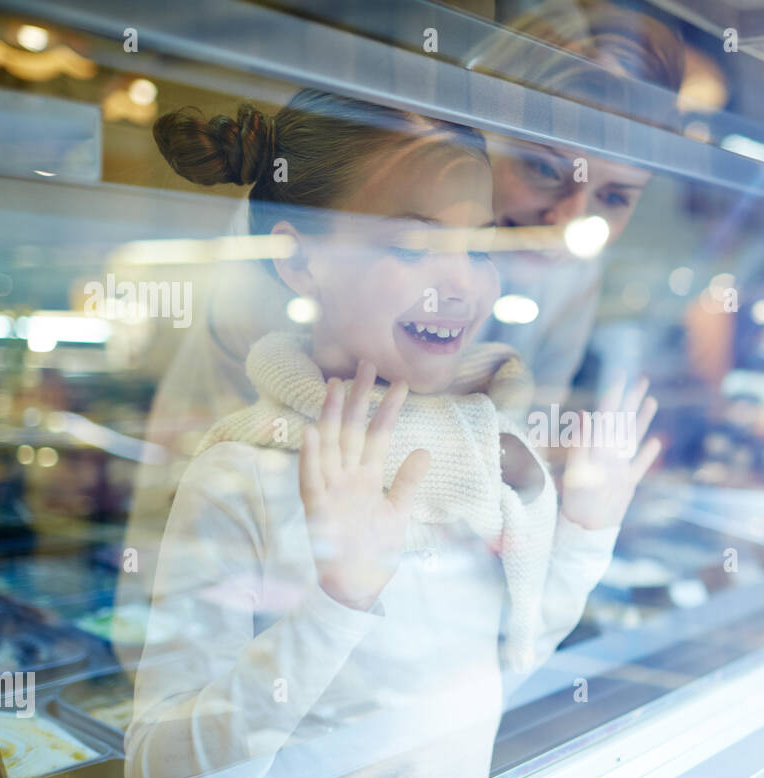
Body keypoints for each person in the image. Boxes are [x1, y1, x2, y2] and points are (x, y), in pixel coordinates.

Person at [128, 91, 660, 778]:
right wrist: (338, 602)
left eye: (476, 246)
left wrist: (585, 527)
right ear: (299, 258)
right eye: (411, 248)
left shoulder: (480, 453)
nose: (463, 286)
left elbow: (505, 670)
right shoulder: (241, 474)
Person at [110, 1, 685, 664]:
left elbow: (514, 445)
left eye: (615, 197)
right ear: (479, 128)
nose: (571, 224)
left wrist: (572, 507)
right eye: (543, 168)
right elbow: (225, 487)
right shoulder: (322, 248)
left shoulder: (573, 266)